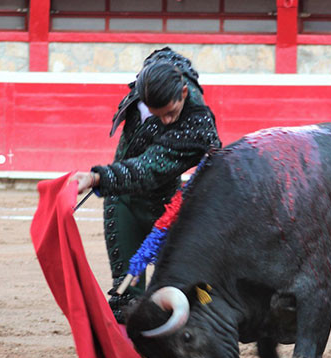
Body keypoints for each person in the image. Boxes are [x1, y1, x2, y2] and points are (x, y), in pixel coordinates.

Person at [69, 47, 221, 324]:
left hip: (168, 208)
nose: (166, 120)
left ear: (183, 94)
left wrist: (97, 178)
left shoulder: (196, 120)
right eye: (158, 114)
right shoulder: (146, 86)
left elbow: (150, 168)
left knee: (196, 292)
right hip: (123, 201)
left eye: (171, 112)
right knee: (126, 300)